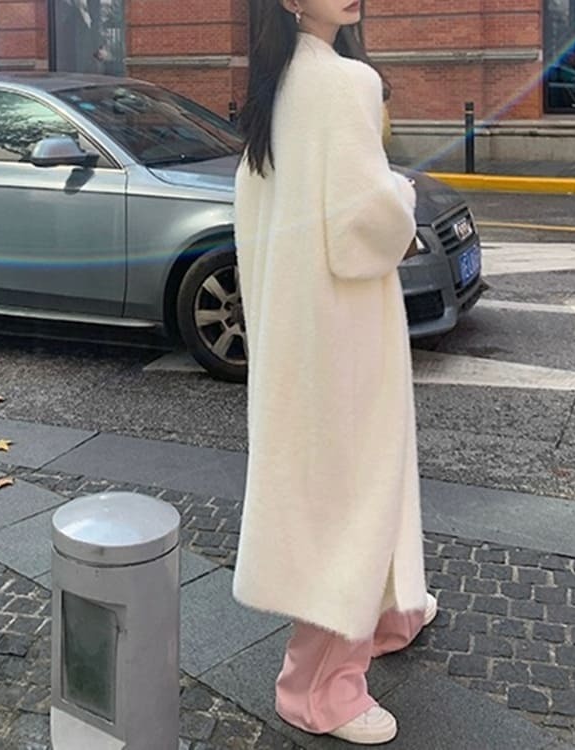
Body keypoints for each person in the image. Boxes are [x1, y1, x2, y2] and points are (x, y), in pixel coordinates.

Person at [233, 0, 436, 744]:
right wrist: (402, 196)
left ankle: (384, 609)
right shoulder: (348, 81)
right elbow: (363, 225)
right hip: (345, 327)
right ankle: (318, 689)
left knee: (334, 483)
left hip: (296, 328)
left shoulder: (274, 87)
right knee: (357, 484)